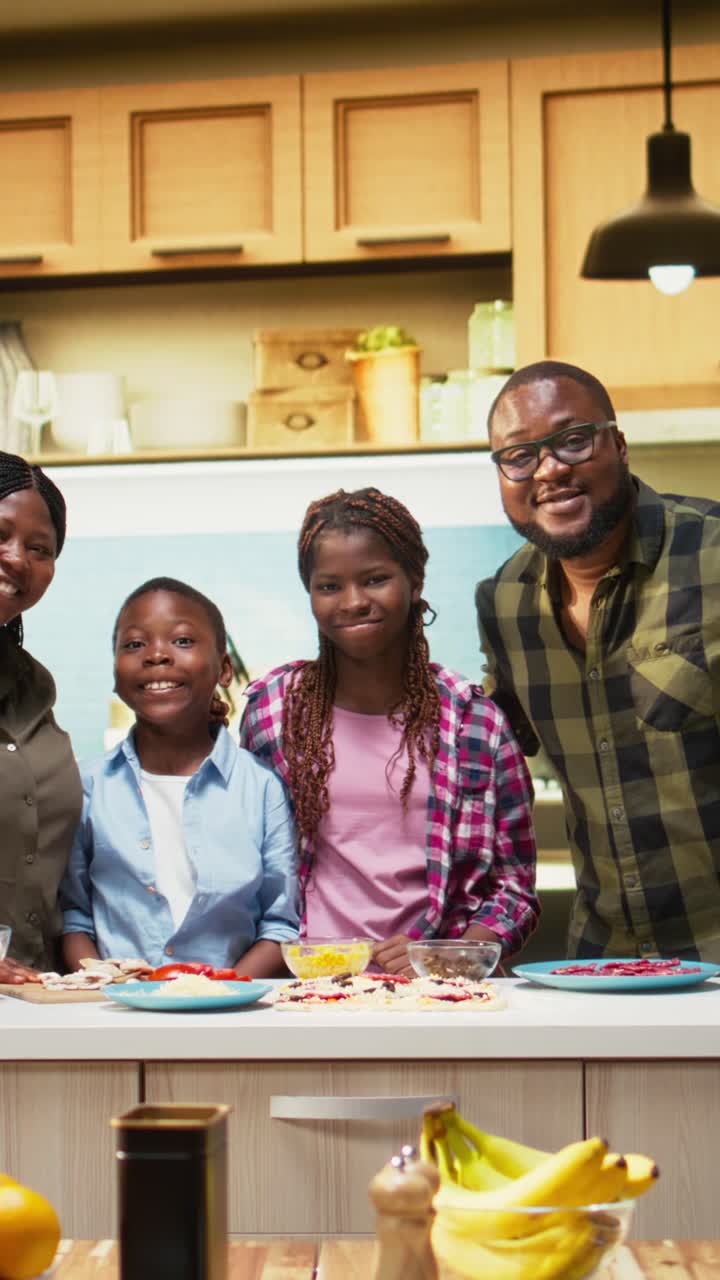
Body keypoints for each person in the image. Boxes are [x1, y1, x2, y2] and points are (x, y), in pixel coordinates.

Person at [475, 359, 720, 961]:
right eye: (519, 455)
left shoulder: (712, 555)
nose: (549, 469)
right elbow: (487, 755)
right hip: (605, 962)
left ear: (620, 446)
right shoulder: (505, 602)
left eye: (573, 440)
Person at [240, 487, 538, 977]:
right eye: (329, 586)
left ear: (414, 581)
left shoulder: (476, 724)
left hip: (435, 995)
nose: (354, 602)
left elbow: (515, 890)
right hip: (304, 990)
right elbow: (249, 863)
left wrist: (447, 957)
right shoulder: (274, 710)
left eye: (375, 579)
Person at [60, 577, 299, 976]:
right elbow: (75, 917)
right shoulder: (86, 785)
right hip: (113, 1006)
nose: (156, 655)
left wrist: (221, 989)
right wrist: (109, 986)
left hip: (234, 1005)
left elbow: (280, 926)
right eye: (134, 644)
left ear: (224, 669)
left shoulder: (262, 788)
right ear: (116, 675)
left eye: (183, 641)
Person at [0, 450, 81, 983]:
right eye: (1, 535)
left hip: (35, 1002)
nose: (18, 559)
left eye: (40, 548)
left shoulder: (34, 687)